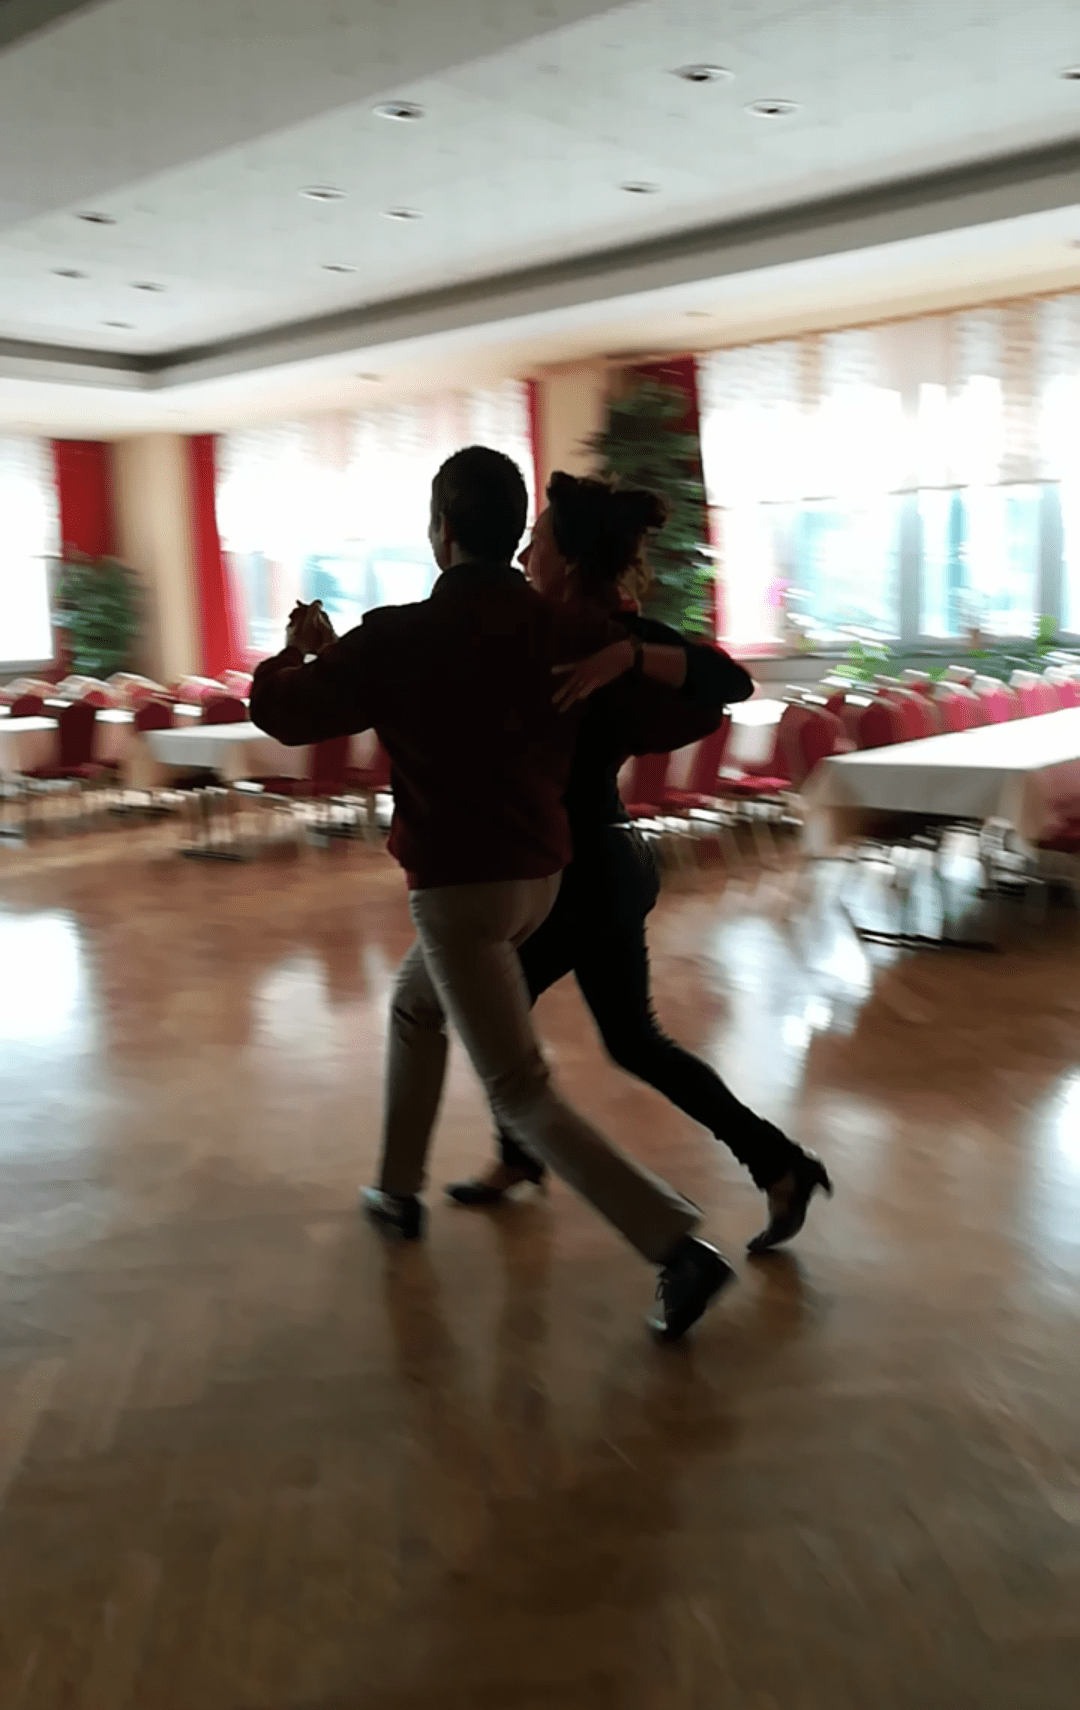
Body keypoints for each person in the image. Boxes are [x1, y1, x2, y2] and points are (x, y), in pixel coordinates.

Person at [250, 445, 732, 1341]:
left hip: (459, 894)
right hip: (541, 883)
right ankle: (396, 1190)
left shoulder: (396, 635)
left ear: (441, 529)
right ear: (513, 534)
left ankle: (677, 1246)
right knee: (414, 1006)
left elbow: (282, 713)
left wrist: (295, 650)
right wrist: (630, 652)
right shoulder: (562, 626)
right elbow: (714, 686)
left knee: (519, 1090)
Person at [446, 472, 832, 1255]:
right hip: (608, 864)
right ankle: (779, 1165)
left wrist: (626, 656)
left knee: (503, 1012)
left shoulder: (600, 633)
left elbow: (730, 680)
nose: (522, 554)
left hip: (586, 870)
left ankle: (524, 1154)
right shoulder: (549, 625)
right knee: (627, 1039)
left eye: (536, 543)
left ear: (567, 559)